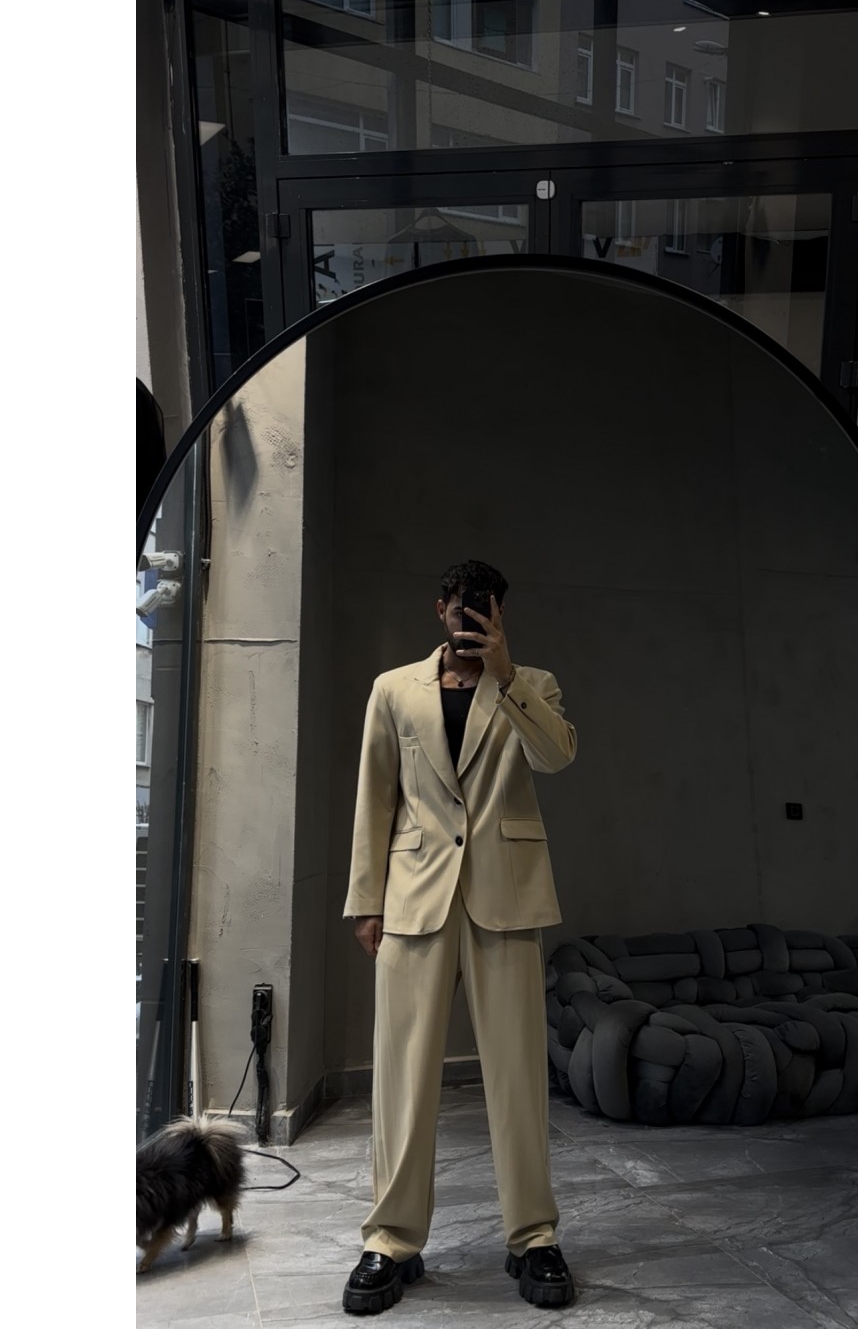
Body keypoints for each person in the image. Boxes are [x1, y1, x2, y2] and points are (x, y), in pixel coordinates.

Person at [341, 559, 577, 1316]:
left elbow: (556, 756)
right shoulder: (393, 689)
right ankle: (391, 1241)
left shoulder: (531, 684)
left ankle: (533, 1236)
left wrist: (504, 674)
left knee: (518, 1079)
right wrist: (366, 900)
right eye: (461, 605)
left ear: (500, 614)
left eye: (487, 607)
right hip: (413, 898)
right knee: (402, 1078)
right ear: (439, 609)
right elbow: (375, 795)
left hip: (505, 898)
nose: (471, 616)